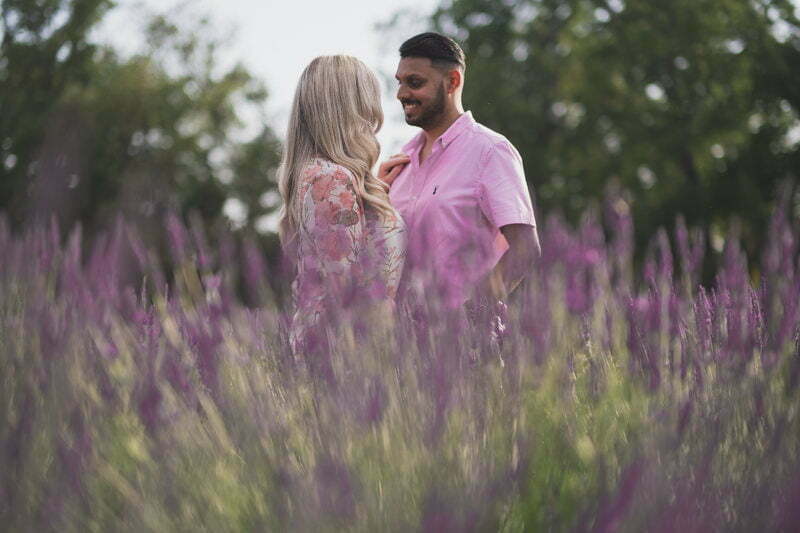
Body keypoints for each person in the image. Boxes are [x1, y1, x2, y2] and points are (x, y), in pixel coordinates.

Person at [379, 32, 541, 320]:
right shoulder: (397, 165)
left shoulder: (491, 151)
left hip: (464, 351)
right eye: (400, 82)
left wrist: (468, 318)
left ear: (452, 81)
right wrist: (375, 194)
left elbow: (525, 248)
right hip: (399, 349)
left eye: (415, 82)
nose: (401, 93)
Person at [277, 55, 407, 355]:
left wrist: (372, 197)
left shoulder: (322, 174)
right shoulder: (330, 179)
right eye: (368, 102)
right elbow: (346, 294)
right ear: (349, 108)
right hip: (344, 355)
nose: (373, 117)